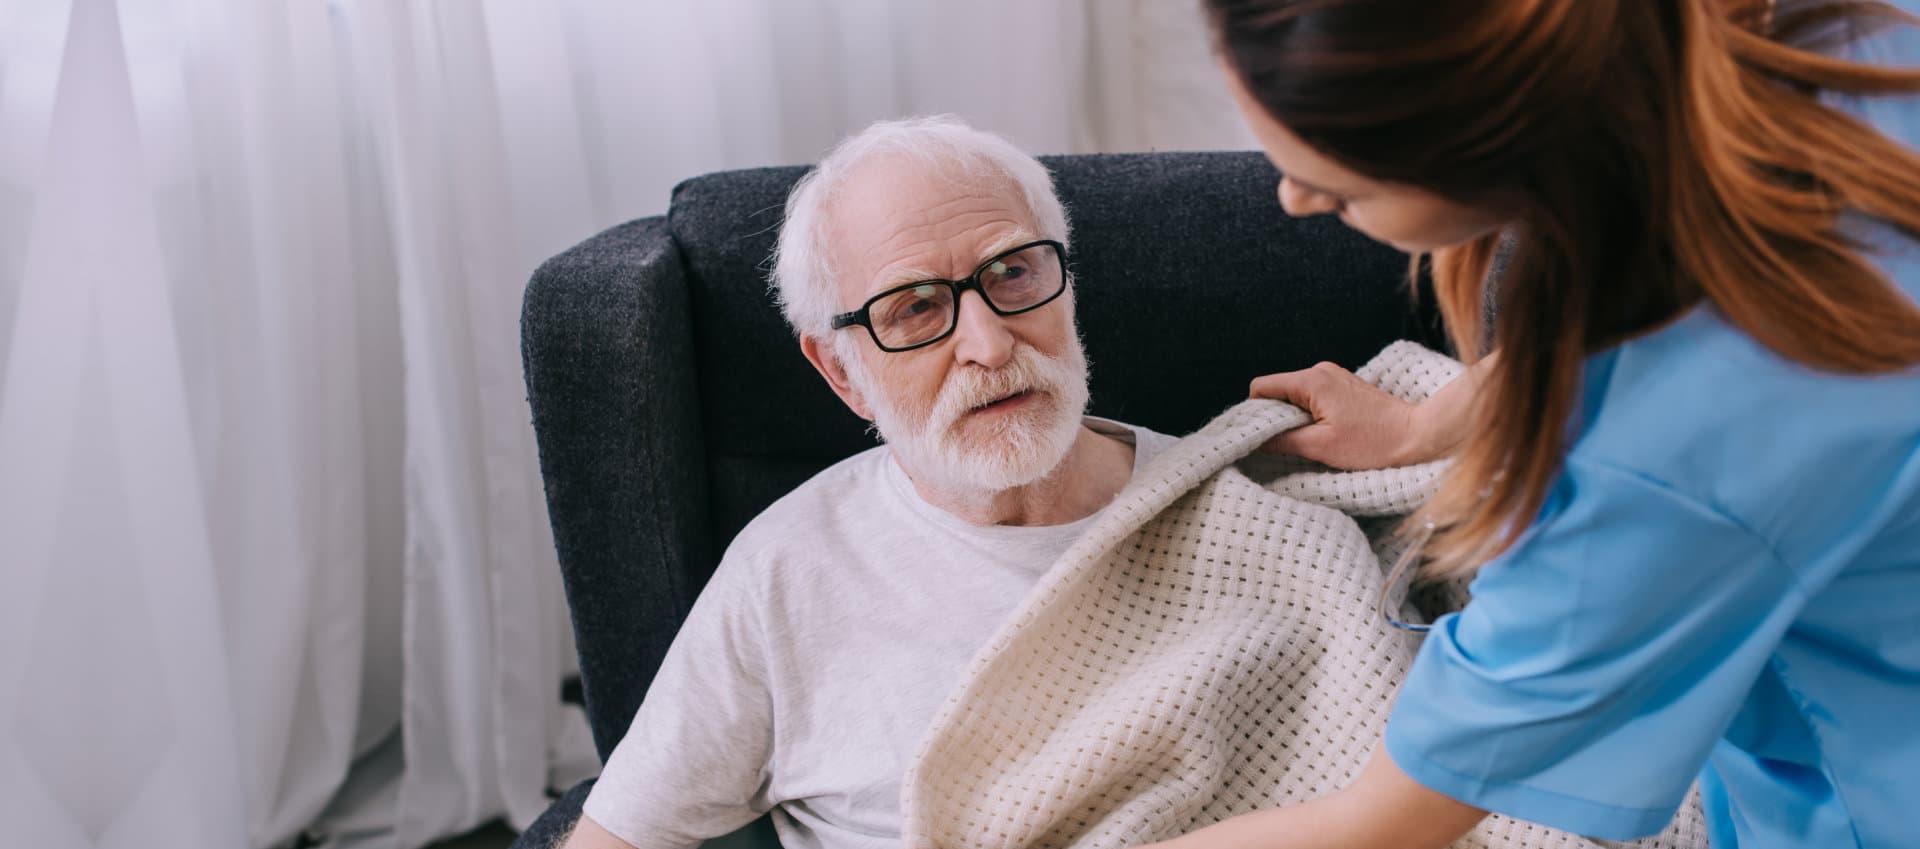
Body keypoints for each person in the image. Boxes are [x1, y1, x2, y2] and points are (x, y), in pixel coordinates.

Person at [1148, 1, 1920, 848]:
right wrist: (1423, 427)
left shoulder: (1644, 476)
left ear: (1485, 141)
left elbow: (1382, 818)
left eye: (1339, 187)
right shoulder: (1832, 40)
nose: (1292, 198)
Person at [558, 116, 1173, 849]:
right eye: (915, 308)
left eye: (1013, 273)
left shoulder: (1237, 508)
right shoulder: (785, 571)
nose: (988, 343)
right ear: (841, 371)